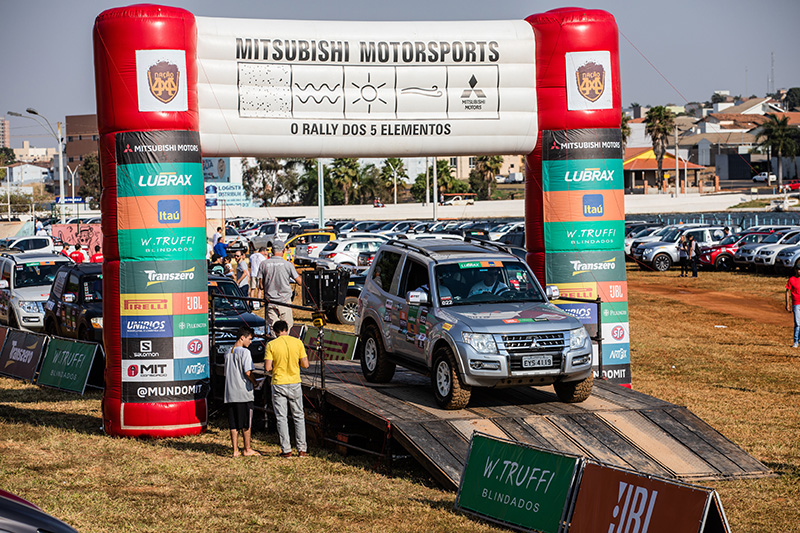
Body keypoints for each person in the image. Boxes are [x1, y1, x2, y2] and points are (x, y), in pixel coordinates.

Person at [264, 320, 309, 458]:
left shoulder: (271, 345)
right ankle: (302, 449)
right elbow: (305, 364)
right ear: (287, 329)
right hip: (294, 381)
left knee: (281, 418)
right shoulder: (298, 342)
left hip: (279, 382)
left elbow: (267, 367)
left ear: (275, 332)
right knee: (299, 416)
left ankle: (286, 450)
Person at [224, 327, 261, 457]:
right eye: (249, 339)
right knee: (246, 423)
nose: (250, 342)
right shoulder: (245, 352)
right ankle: (247, 448)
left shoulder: (228, 352)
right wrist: (255, 383)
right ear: (242, 337)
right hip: (243, 393)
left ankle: (235, 450)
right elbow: (248, 372)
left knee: (233, 423)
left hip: (230, 393)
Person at [259, 241, 302, 329]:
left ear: (272, 251)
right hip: (285, 301)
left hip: (270, 301)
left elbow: (261, 286)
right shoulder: (288, 265)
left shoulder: (263, 264)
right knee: (286, 328)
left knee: (273, 329)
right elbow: (300, 282)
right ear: (283, 251)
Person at [786, 265, 800, 348]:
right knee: (798, 323)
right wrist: (787, 304)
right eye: (798, 270)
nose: (799, 271)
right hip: (796, 304)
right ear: (796, 270)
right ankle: (796, 341)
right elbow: (787, 291)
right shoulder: (792, 279)